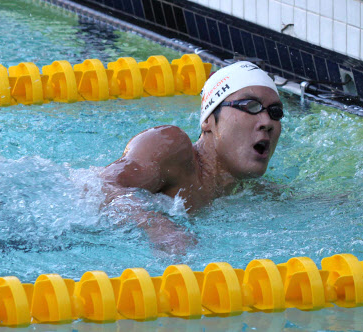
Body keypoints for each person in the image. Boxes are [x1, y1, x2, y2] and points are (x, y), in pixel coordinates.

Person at [100, 61, 284, 251]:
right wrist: (156, 226)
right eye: (250, 106)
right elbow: (102, 186)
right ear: (208, 120)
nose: (267, 122)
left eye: (275, 112)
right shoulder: (170, 146)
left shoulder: (254, 193)